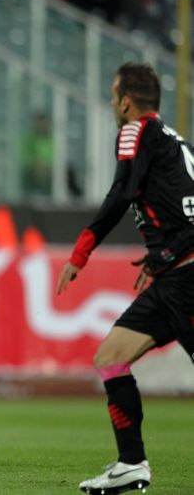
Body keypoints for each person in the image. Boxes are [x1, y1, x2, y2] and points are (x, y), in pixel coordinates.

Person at [57, 62, 194, 494]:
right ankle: (131, 463)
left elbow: (122, 191)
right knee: (111, 356)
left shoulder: (136, 130)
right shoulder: (177, 142)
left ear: (126, 102)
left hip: (186, 279)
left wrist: (82, 251)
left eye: (114, 95)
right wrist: (162, 255)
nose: (113, 103)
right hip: (173, 277)